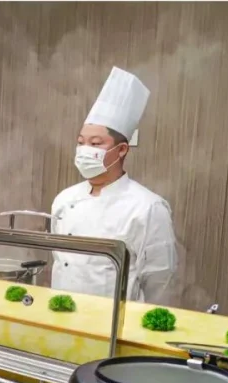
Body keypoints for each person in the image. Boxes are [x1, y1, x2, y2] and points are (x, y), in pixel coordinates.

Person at [51, 67, 177, 304]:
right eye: (81, 142)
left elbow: (160, 280)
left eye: (96, 143)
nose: (85, 150)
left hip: (113, 321)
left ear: (121, 150)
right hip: (61, 314)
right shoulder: (64, 199)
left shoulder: (148, 207)